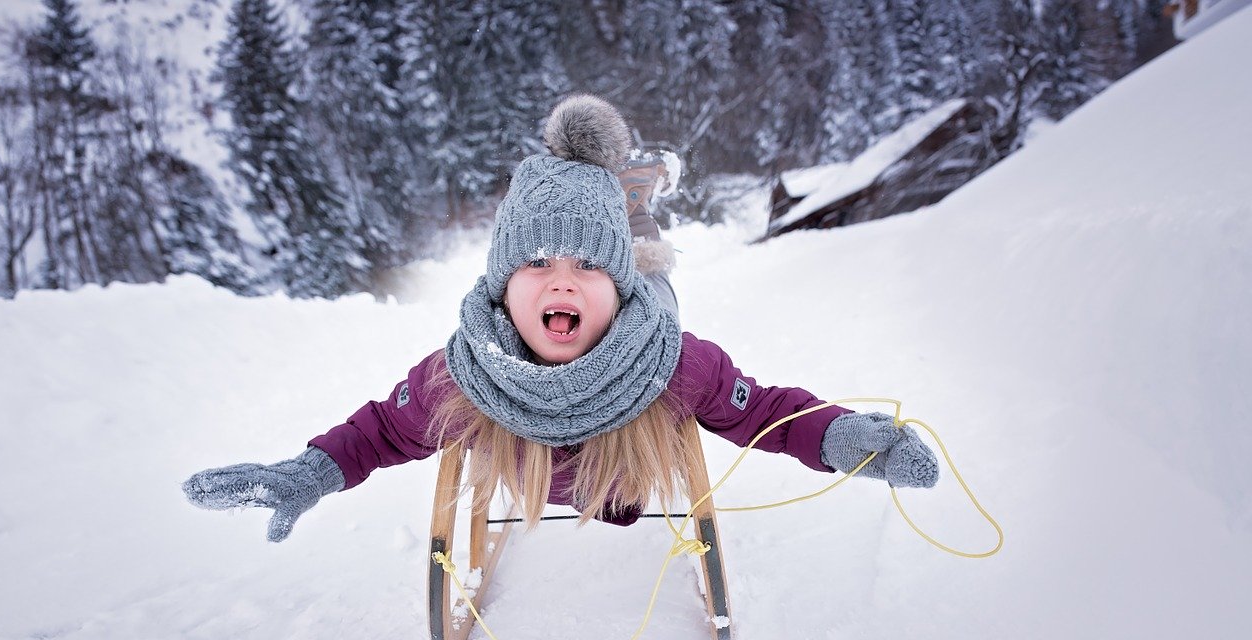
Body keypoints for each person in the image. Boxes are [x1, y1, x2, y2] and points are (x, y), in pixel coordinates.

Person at [183, 95, 938, 543]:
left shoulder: (672, 364)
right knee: (612, 248)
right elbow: (382, 430)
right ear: (503, 286)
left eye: (584, 269)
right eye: (537, 265)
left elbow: (768, 415)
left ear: (611, 288)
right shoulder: (464, 373)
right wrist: (308, 473)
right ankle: (619, 203)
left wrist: (848, 441)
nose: (561, 284)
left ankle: (630, 213)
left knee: (649, 262)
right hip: (593, 335)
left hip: (638, 327)